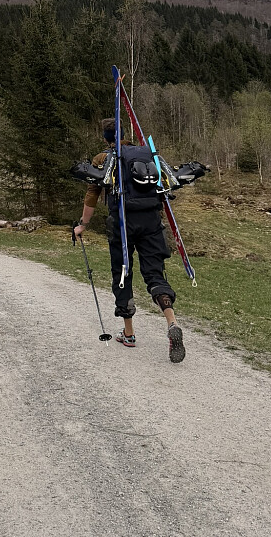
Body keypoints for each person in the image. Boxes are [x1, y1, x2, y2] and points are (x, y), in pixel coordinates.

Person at [73, 117, 186, 364]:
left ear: (105, 137)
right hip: (151, 221)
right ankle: (172, 322)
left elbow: (92, 194)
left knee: (123, 273)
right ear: (125, 134)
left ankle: (129, 333)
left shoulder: (104, 159)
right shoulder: (146, 155)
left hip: (122, 222)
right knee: (155, 274)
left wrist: (83, 224)